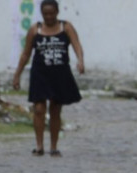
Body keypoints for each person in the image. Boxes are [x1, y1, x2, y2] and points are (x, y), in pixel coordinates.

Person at [12, 0, 84, 157]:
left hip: (60, 74)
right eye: (46, 14)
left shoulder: (66, 28)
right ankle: (39, 145)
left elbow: (76, 45)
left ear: (57, 12)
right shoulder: (35, 30)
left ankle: (53, 146)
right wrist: (17, 74)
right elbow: (26, 54)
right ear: (42, 14)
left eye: (52, 13)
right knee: (38, 109)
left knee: (55, 110)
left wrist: (80, 61)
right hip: (40, 74)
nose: (49, 17)